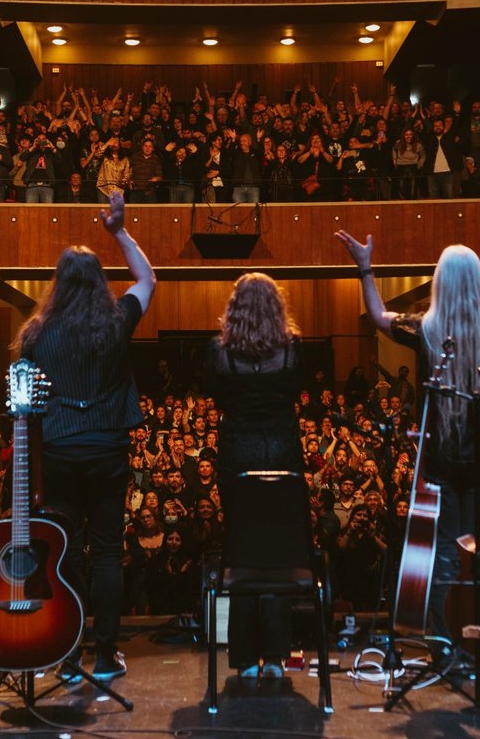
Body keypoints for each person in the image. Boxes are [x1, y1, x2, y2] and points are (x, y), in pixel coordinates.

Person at [335, 198, 480, 637]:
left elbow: (378, 316)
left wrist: (365, 269)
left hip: (441, 465)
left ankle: (444, 642)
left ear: (439, 283)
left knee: (446, 556)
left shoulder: (427, 331)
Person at [19, 191, 155, 682]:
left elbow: (28, 405)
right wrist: (119, 232)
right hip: (106, 449)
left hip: (57, 451)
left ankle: (70, 655)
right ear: (99, 282)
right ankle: (106, 654)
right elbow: (148, 279)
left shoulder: (36, 333)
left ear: (58, 284)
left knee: (66, 553)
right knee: (106, 553)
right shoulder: (117, 322)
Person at [203, 273, 306, 677]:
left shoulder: (219, 352)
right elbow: (295, 392)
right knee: (278, 552)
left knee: (240, 549)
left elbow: (216, 395)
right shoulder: (293, 349)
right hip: (282, 448)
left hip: (238, 451)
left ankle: (245, 657)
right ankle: (277, 655)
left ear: (235, 308)